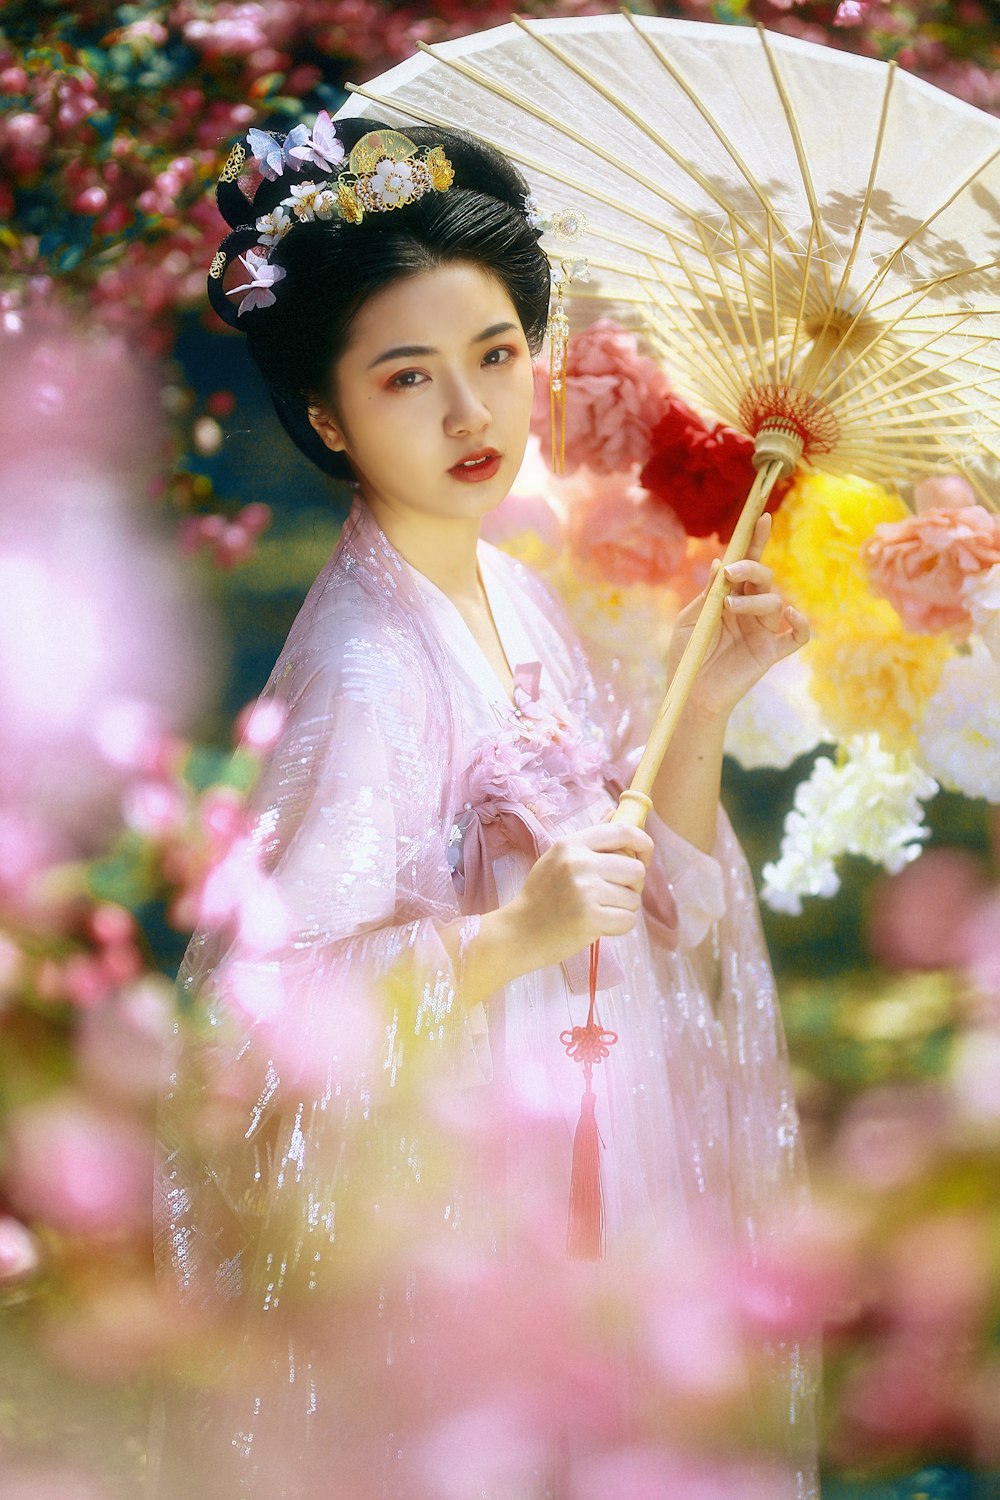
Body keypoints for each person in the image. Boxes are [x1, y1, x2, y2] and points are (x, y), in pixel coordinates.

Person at [149, 116, 818, 1499]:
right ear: (328, 416)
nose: (472, 416)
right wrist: (505, 937)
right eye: (410, 378)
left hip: (590, 1133)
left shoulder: (510, 587)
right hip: (474, 1195)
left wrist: (704, 705)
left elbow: (649, 880)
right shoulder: (361, 664)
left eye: (497, 357)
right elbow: (262, 1025)